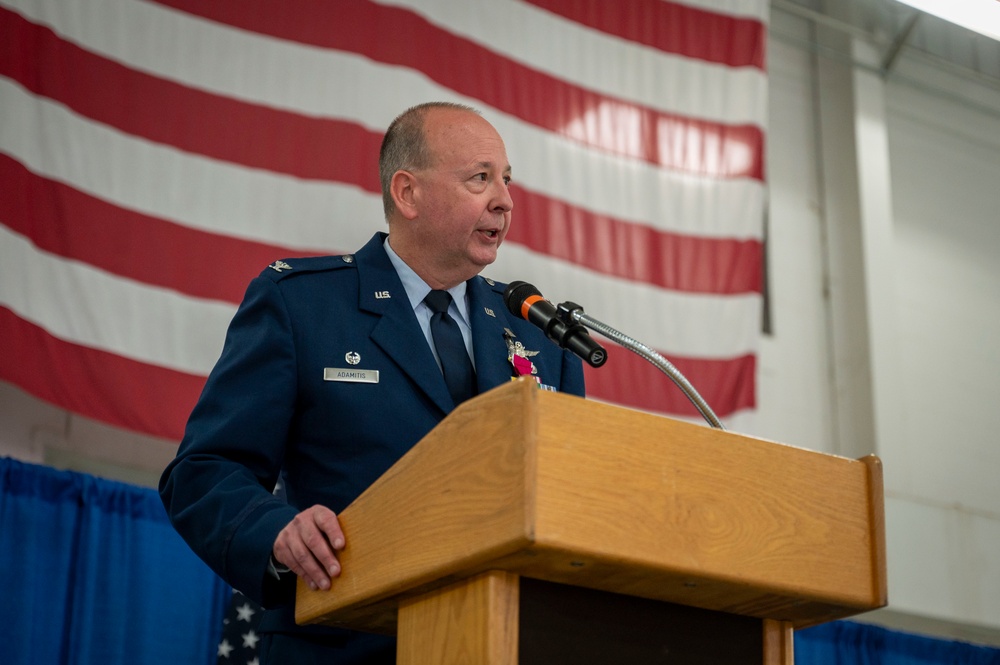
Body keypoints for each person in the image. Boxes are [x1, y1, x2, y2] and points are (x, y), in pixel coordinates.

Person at [159, 102, 586, 664]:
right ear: (407, 193)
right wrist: (276, 531)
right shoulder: (303, 305)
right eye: (480, 178)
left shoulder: (541, 335)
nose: (505, 200)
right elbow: (203, 471)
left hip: (504, 643)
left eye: (506, 180)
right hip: (342, 643)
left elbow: (574, 499)